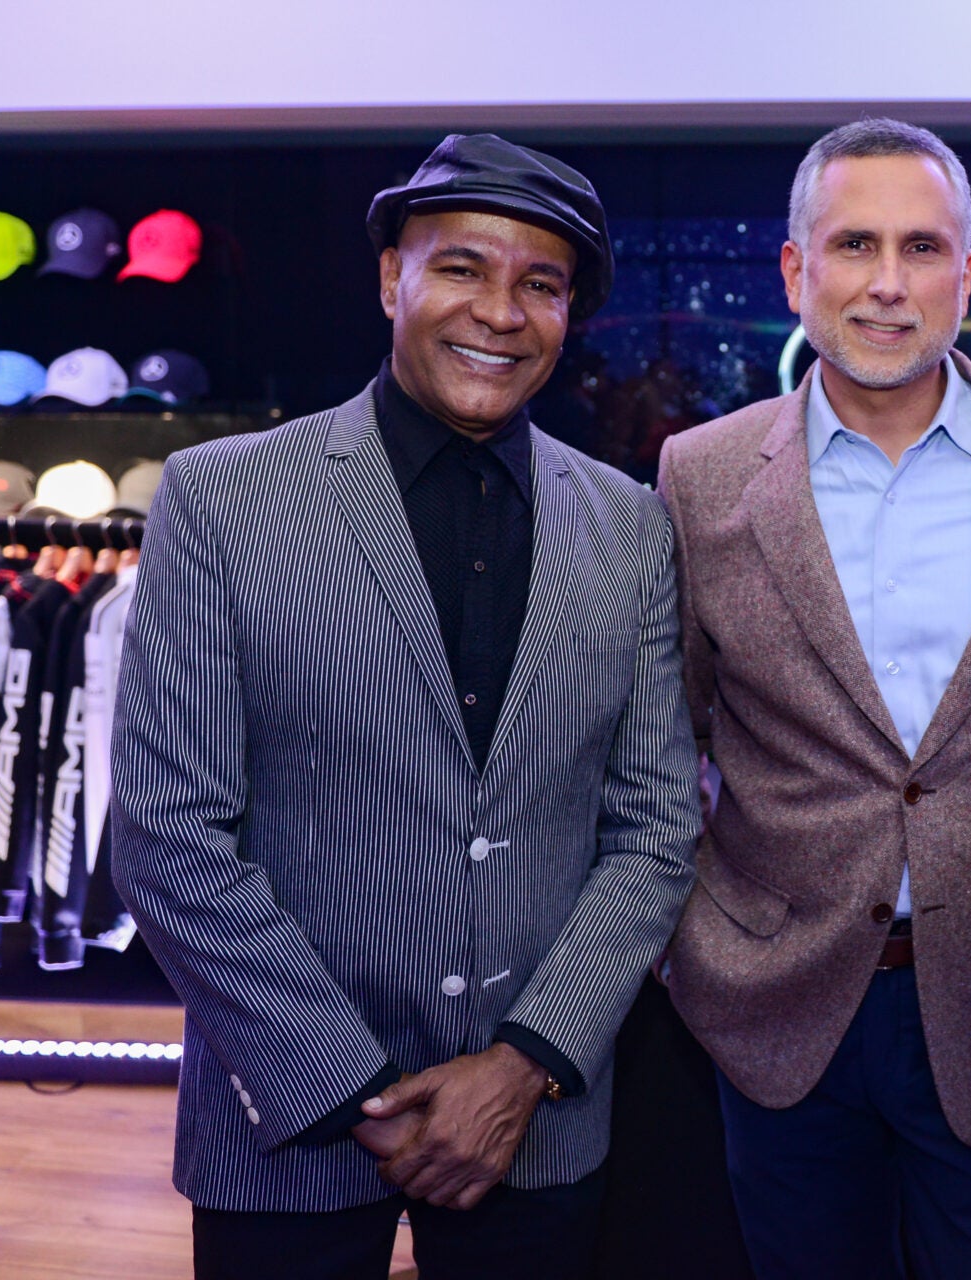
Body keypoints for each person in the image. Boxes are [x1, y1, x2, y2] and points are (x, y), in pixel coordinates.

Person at [110, 133, 700, 1280]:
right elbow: (167, 834)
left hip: (535, 1123)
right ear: (393, 278)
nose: (500, 310)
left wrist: (524, 1061)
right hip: (283, 1118)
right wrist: (351, 1086)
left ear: (569, 313)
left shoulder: (629, 525)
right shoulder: (225, 500)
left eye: (542, 283)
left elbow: (654, 827)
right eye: (463, 268)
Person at [657, 118, 971, 1279]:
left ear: (967, 274)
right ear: (796, 270)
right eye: (854, 244)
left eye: (922, 247)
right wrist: (700, 941)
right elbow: (667, 736)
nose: (889, 283)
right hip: (778, 1006)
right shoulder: (697, 475)